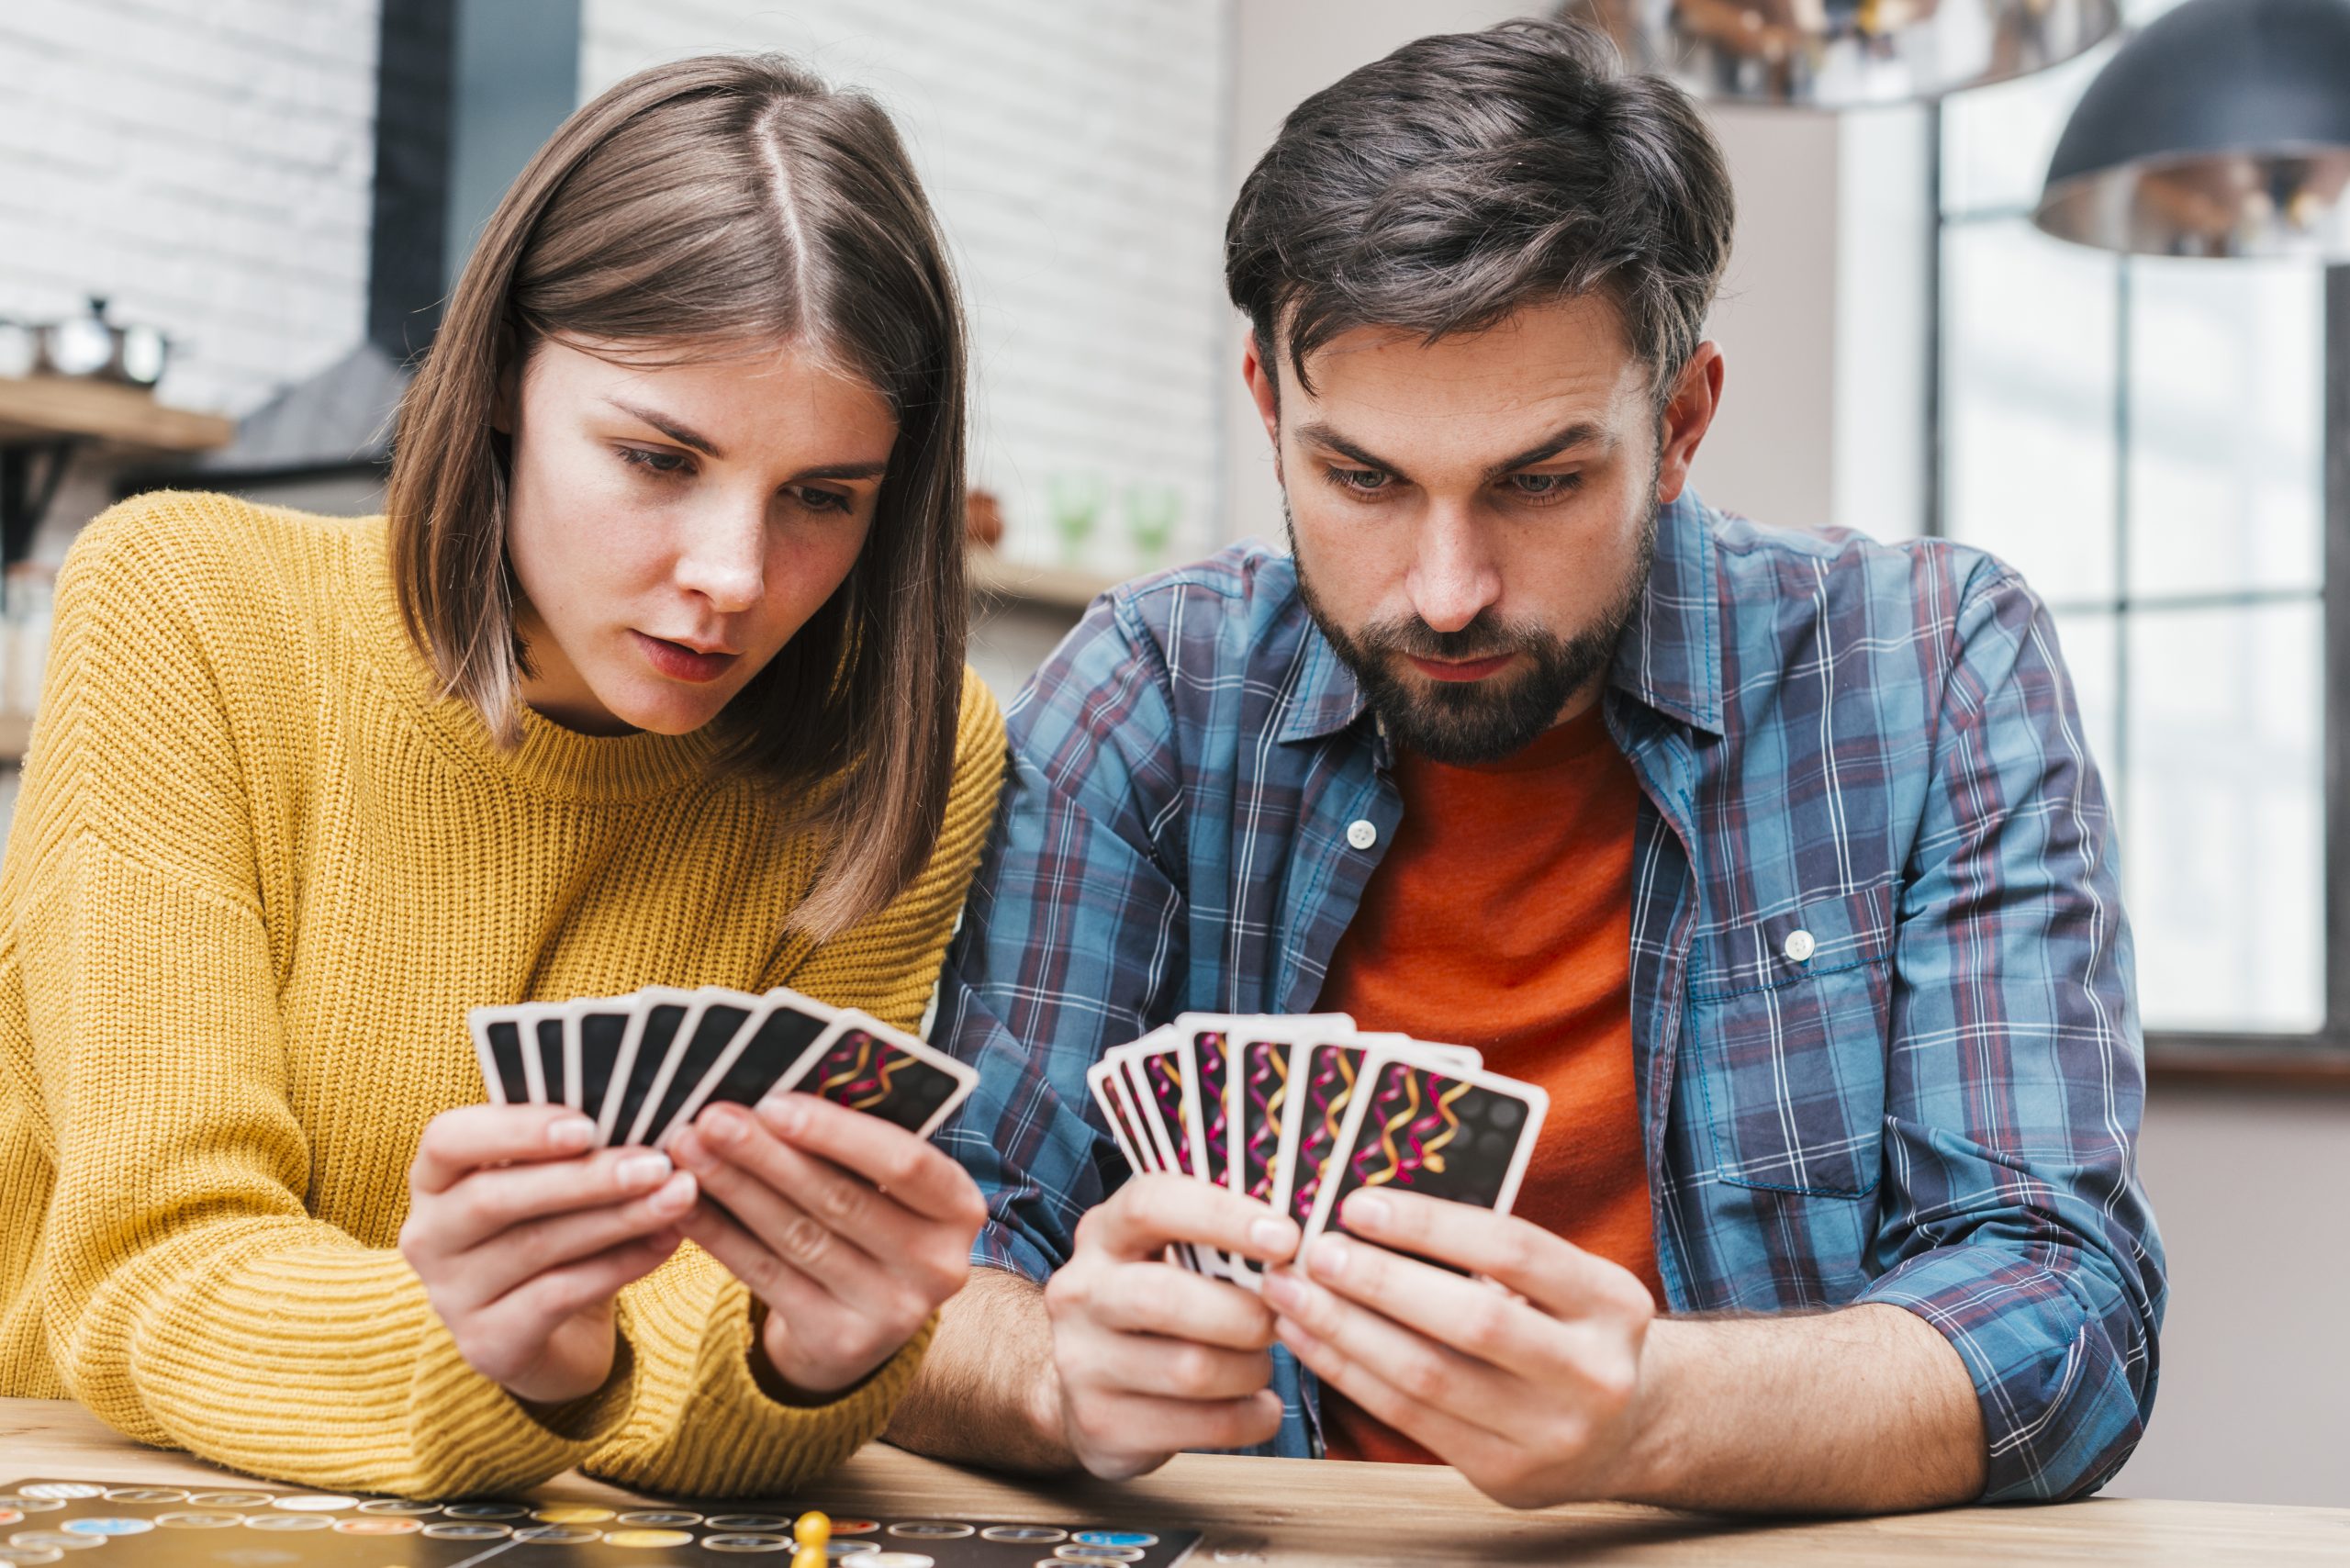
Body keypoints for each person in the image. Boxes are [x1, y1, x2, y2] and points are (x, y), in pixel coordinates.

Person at [888, 18, 2164, 1512]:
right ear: (1267, 409)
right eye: (1359, 477)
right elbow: (938, 1265)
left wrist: (1658, 1417)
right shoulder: (1148, 700)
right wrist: (1048, 1365)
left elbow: (2067, 1313)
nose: (1443, 590)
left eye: (1541, 481)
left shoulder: (1935, 664)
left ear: (1679, 421)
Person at [0, 54, 1003, 1498]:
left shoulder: (909, 748)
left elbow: (709, 1363)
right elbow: (149, 1264)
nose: (730, 577)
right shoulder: (183, 605)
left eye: (823, 498)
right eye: (660, 459)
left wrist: (807, 1366)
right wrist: (503, 1363)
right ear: (502, 392)